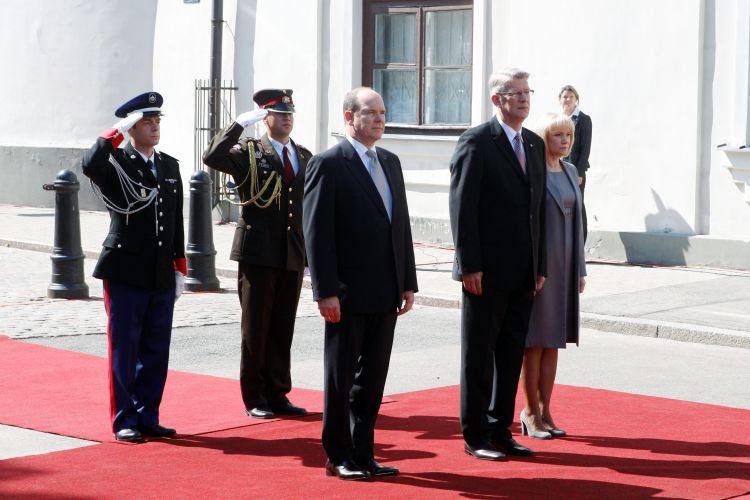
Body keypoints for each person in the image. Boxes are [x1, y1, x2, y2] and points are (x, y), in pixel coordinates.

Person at [303, 87, 418, 480]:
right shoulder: (329, 163)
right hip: (347, 291)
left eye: (383, 112)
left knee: (372, 380)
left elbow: (399, 225)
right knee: (341, 378)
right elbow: (317, 232)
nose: (379, 119)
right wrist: (325, 290)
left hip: (386, 289)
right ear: (349, 117)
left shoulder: (390, 162)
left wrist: (407, 280)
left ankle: (364, 453)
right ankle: (338, 455)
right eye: (371, 112)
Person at [448, 68, 547, 461]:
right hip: (484, 272)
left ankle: (500, 429)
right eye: (514, 92)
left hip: (523, 271)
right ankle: (475, 435)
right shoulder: (476, 142)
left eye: (527, 91)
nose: (523, 98)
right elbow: (463, 208)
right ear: (496, 99)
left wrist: (540, 265)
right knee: (479, 355)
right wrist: (469, 264)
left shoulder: (534, 144)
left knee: (509, 355)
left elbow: (537, 212)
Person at [82, 91, 186, 442]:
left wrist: (179, 265)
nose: (155, 127)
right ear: (131, 128)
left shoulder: (169, 165)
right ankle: (124, 418)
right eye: (146, 122)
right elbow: (89, 164)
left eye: (157, 121)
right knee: (125, 348)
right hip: (125, 268)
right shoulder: (116, 162)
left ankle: (148, 415)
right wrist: (115, 131)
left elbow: (176, 220)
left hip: (159, 271)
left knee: (156, 349)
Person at [203, 89, 311, 419]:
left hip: (291, 253)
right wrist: (237, 125)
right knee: (256, 328)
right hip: (258, 253)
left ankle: (278, 393)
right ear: (266, 118)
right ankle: (255, 396)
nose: (287, 118)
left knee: (283, 327)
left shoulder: (303, 155)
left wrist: (309, 255)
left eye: (290, 113)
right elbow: (212, 156)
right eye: (279, 113)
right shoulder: (250, 151)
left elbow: (306, 206)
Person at [519, 113, 587, 441]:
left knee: (554, 341)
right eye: (558, 135)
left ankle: (546, 411)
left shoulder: (571, 171)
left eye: (568, 135)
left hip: (566, 267)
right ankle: (529, 412)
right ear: (544, 137)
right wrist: (532, 268)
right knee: (534, 341)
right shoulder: (532, 172)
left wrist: (581, 269)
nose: (564, 141)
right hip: (541, 269)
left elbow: (579, 224)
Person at [559, 85, 592, 240]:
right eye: (565, 96)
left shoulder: (583, 119)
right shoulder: (557, 120)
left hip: (575, 170)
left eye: (571, 97)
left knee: (578, 205)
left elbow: (586, 148)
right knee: (561, 205)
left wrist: (578, 173)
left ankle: (581, 241)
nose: (568, 99)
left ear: (576, 100)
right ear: (559, 100)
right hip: (558, 169)